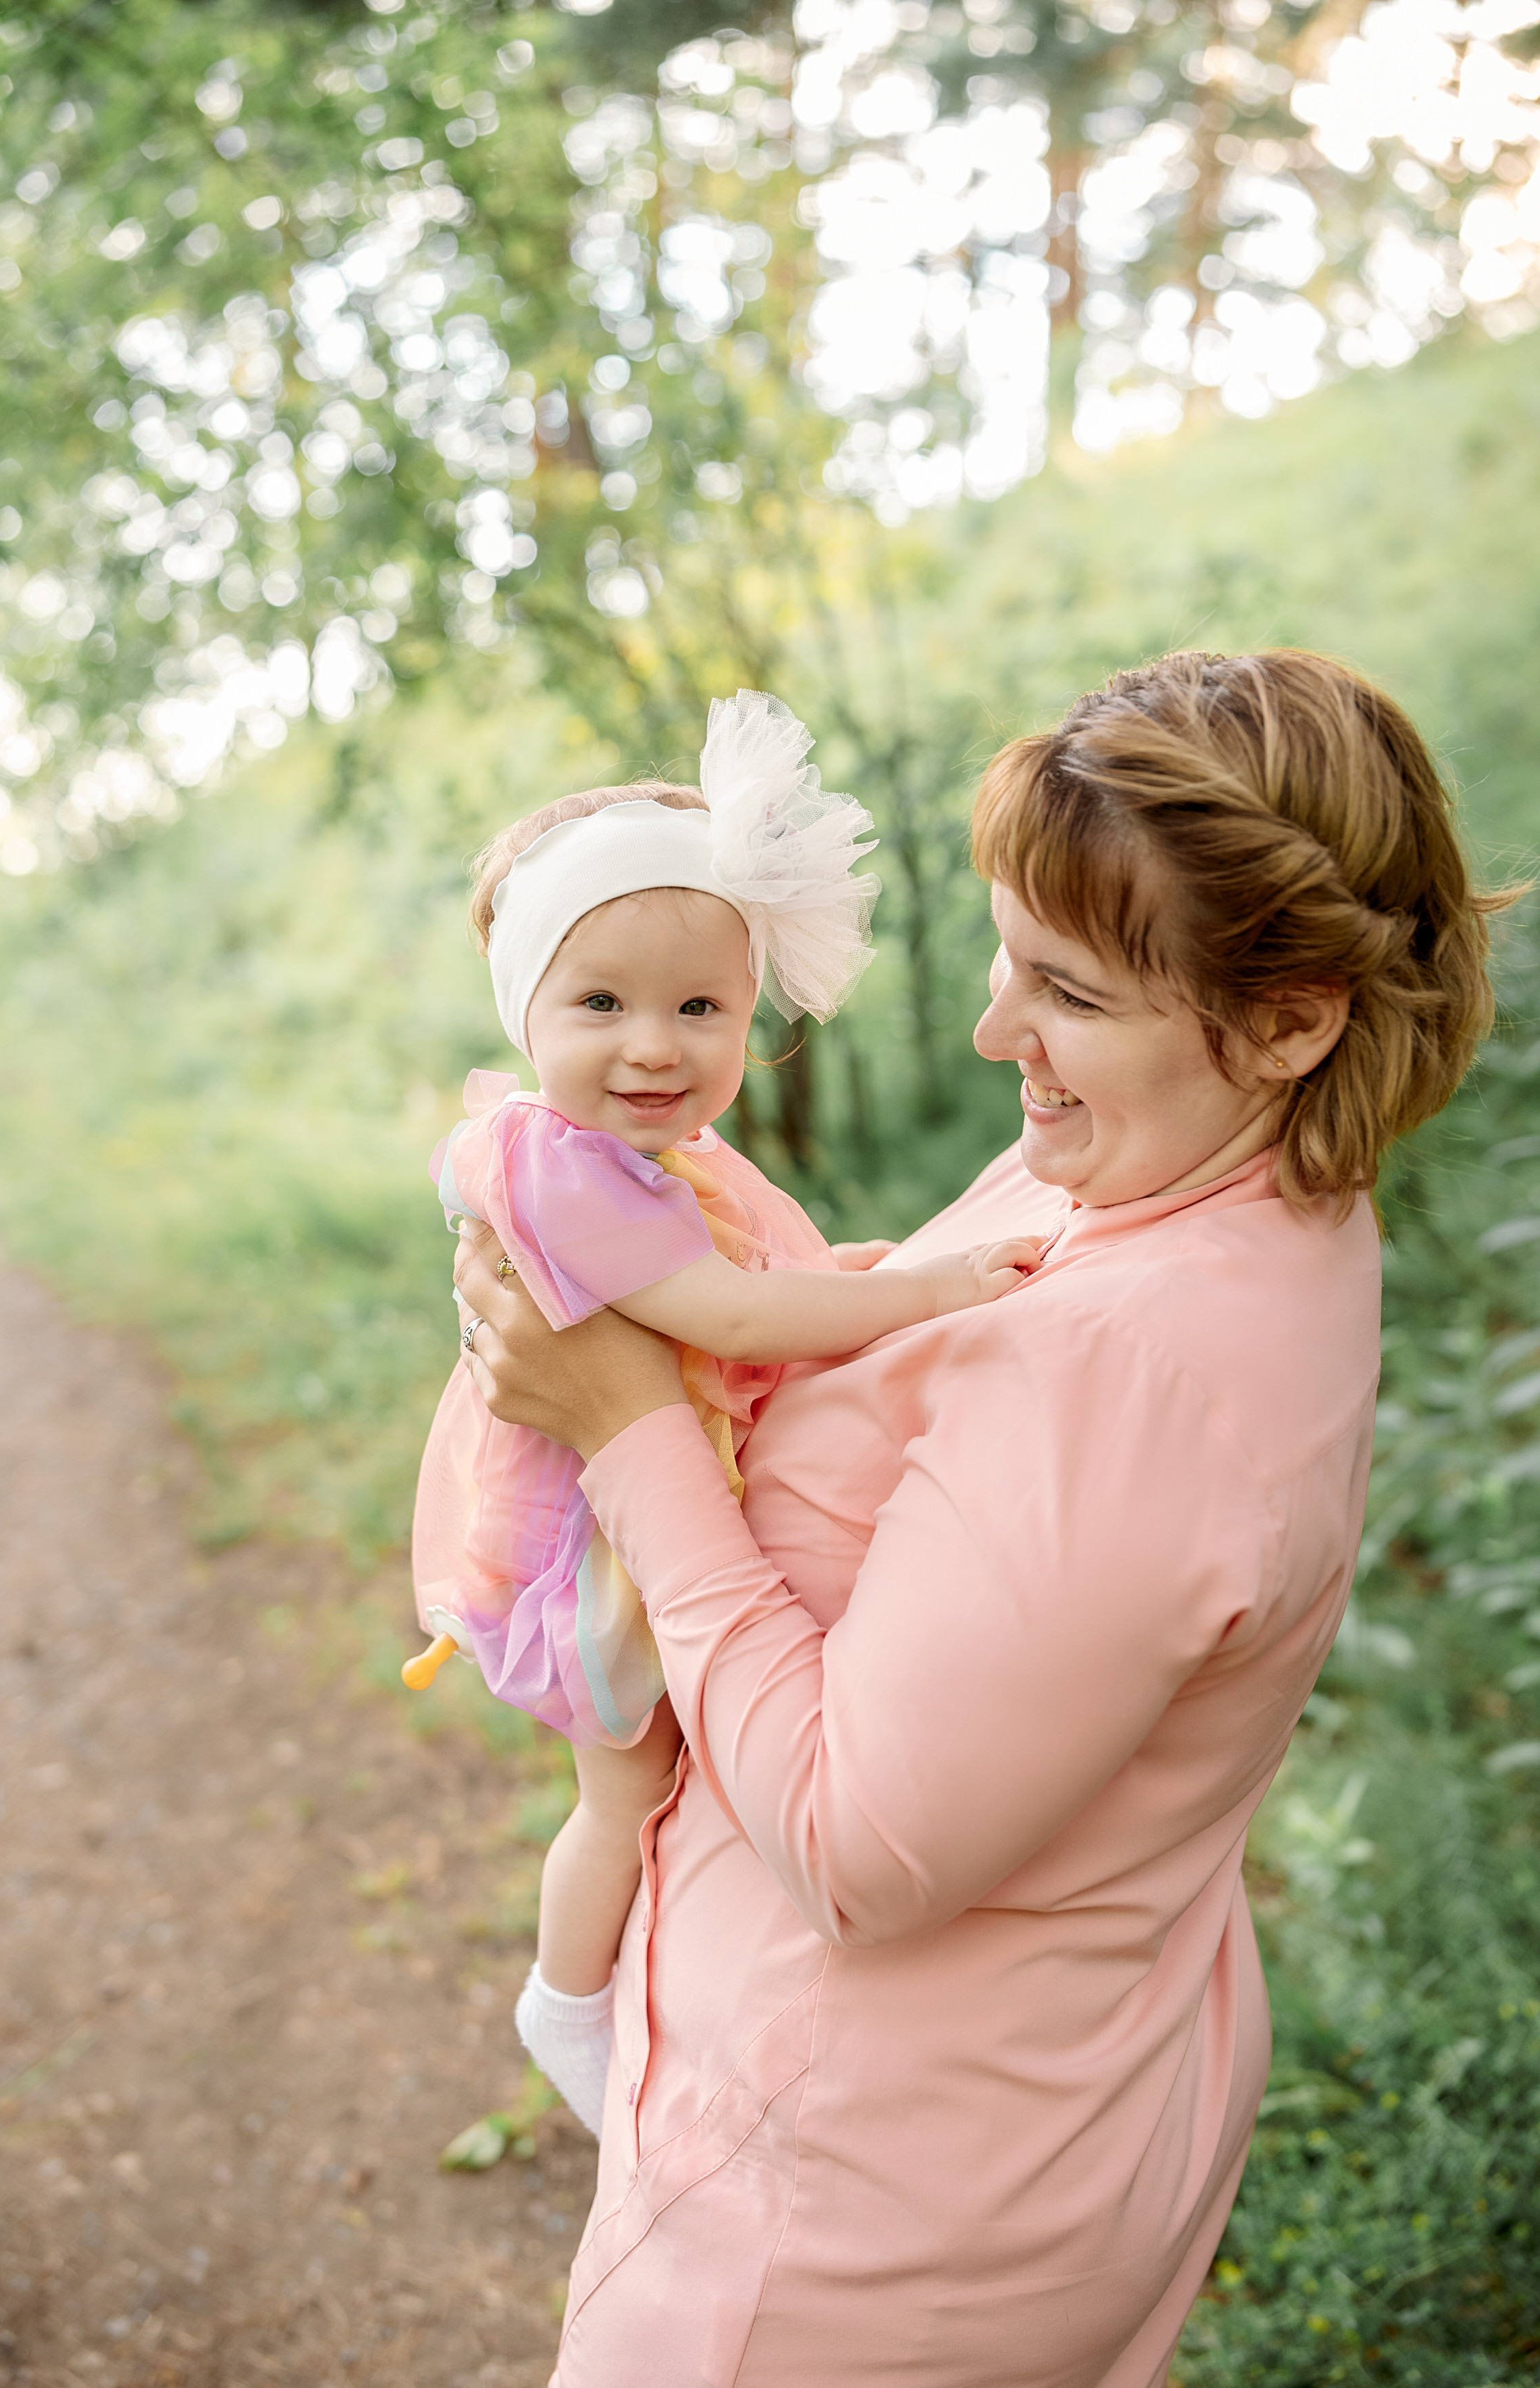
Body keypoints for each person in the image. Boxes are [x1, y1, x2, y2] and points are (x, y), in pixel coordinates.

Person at [454, 650, 1522, 2388]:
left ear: (1294, 1014)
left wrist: (628, 1424)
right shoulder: (1173, 1164)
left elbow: (862, 1845)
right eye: (1008, 958)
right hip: (1014, 2097)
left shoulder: (1136, 1368)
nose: (992, 1033)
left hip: (848, 2216)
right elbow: (950, 1349)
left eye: (1069, 991)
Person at [409, 690, 1035, 2134]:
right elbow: (734, 1318)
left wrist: (869, 1273)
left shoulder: (667, 1158)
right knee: (625, 1791)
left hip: (646, 1500)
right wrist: (928, 1292)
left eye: (701, 1007)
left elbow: (770, 1270)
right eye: (602, 1005)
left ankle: (662, 1981)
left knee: (683, 1777)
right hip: (587, 1548)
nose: (654, 1045)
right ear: (528, 1011)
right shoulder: (560, 1167)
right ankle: (565, 2002)